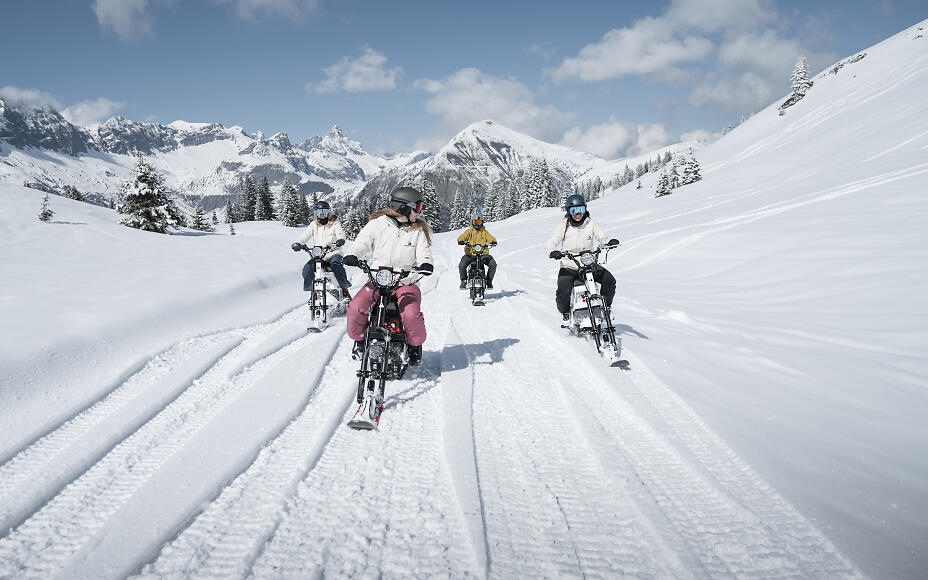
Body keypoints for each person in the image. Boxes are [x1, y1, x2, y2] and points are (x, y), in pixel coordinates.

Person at [341, 186, 434, 366]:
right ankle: (360, 341)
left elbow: (424, 253)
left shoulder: (417, 231)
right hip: (377, 279)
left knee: (412, 314)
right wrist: (353, 255)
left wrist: (425, 264)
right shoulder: (378, 224)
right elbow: (361, 243)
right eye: (418, 208)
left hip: (405, 281)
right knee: (355, 308)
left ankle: (414, 346)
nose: (419, 213)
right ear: (404, 208)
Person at [544, 194, 620, 321]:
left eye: (581, 210)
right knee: (563, 291)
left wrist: (609, 241)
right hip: (569, 265)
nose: (578, 214)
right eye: (574, 210)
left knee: (609, 280)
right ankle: (566, 312)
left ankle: (606, 307)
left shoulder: (591, 224)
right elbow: (550, 243)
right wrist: (553, 251)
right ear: (569, 211)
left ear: (585, 209)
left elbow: (602, 237)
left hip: (588, 264)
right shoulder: (563, 226)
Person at [291, 200, 352, 299]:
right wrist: (298, 243)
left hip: (333, 253)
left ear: (328, 212)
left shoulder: (335, 223)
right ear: (316, 214)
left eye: (324, 212)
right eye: (319, 212)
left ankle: (344, 289)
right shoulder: (314, 225)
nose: (322, 215)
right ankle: (313, 290)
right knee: (307, 268)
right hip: (319, 254)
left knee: (337, 266)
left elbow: (341, 233)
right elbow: (305, 236)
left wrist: (341, 239)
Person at [456, 214, 498, 289]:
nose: (477, 224)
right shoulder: (469, 231)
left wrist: (493, 242)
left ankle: (489, 281)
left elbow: (491, 238)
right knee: (462, 265)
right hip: (470, 254)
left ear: (482, 223)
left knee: (493, 264)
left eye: (478, 222)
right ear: (472, 222)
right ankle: (464, 281)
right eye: (475, 222)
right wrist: (461, 241)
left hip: (483, 254)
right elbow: (462, 237)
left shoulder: (484, 232)